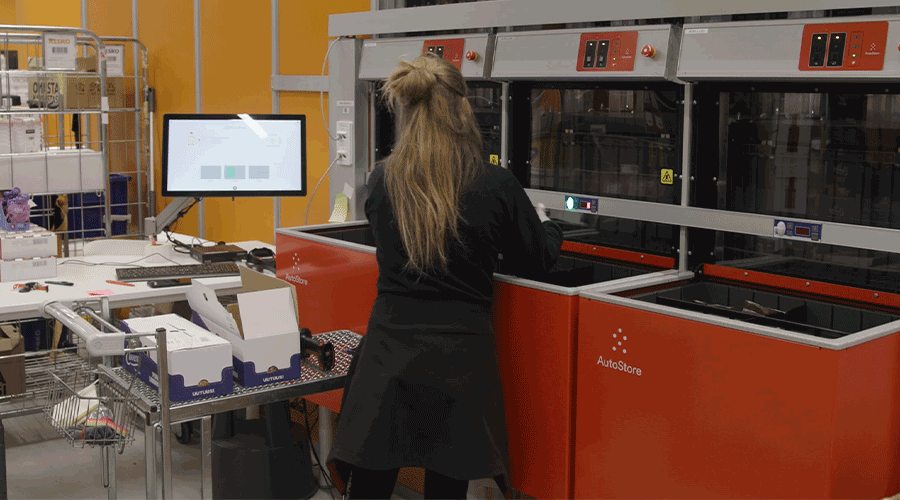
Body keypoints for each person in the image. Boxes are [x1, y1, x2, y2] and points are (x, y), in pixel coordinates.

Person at [326, 53, 563, 500]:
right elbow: (533, 260)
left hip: (389, 350)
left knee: (372, 475)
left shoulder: (382, 180)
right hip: (460, 357)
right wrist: (548, 224)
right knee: (447, 479)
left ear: (409, 109)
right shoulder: (495, 184)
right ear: (461, 108)